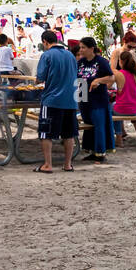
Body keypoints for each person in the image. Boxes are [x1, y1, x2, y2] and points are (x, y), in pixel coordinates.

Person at [34, 29, 78, 172]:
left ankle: (48, 164)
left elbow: (40, 77)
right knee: (69, 134)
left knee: (46, 133)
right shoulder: (70, 55)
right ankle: (67, 164)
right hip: (70, 100)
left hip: (52, 99)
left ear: (45, 42)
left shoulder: (46, 55)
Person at [77, 37, 116, 162]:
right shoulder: (81, 62)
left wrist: (98, 80)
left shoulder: (101, 61)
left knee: (99, 125)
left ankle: (100, 152)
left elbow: (111, 77)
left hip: (98, 100)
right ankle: (92, 151)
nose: (81, 50)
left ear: (91, 48)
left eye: (83, 47)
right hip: (83, 98)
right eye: (80, 47)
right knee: (89, 126)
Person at [113, 49, 136, 144]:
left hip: (121, 110)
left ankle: (119, 136)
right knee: (129, 105)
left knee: (111, 108)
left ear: (121, 61)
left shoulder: (119, 74)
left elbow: (117, 89)